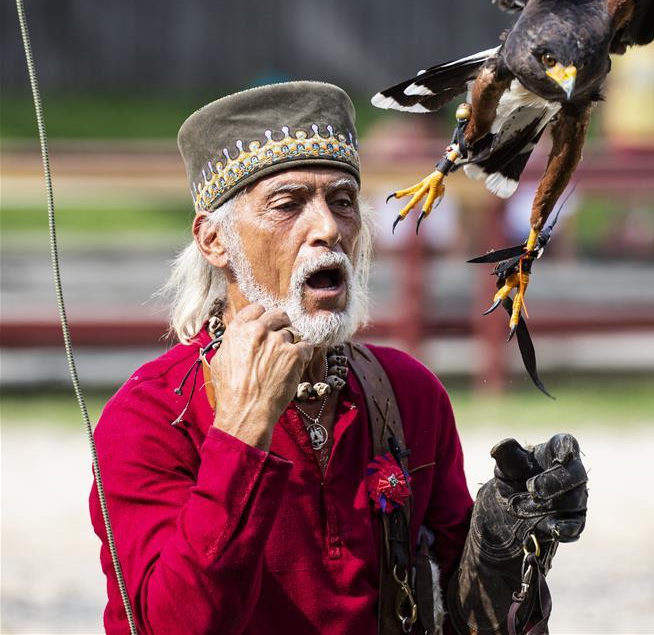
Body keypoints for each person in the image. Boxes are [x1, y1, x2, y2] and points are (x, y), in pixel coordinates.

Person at [88, 82, 588, 635]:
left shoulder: (408, 392)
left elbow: (464, 618)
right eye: (288, 204)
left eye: (343, 201)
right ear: (214, 241)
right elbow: (175, 626)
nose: (328, 228)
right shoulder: (152, 414)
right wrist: (242, 432)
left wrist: (504, 547)